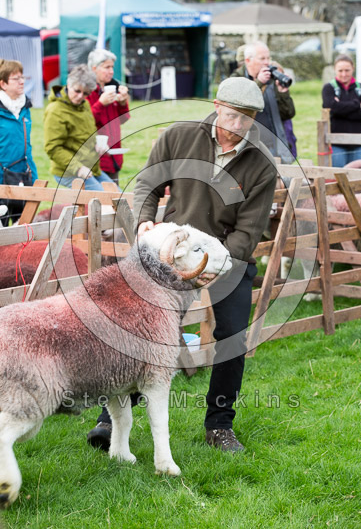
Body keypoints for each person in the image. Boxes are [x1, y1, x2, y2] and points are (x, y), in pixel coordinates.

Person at [87, 77, 277, 452]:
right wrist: (143, 219)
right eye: (233, 115)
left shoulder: (262, 164)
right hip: (170, 256)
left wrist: (213, 265)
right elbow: (147, 185)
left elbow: (249, 230)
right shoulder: (179, 136)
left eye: (248, 118)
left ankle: (219, 426)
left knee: (233, 337)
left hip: (225, 259)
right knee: (140, 331)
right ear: (216, 104)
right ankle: (111, 419)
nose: (239, 125)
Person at [44, 64, 116, 191]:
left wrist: (99, 144)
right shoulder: (55, 110)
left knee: (118, 196)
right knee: (107, 201)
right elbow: (53, 148)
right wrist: (78, 167)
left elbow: (86, 134)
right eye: (77, 91)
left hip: (91, 168)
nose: (80, 96)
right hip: (68, 171)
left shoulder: (85, 104)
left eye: (85, 93)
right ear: (68, 84)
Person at [231, 41, 295, 162]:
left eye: (268, 58)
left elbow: (288, 114)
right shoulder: (236, 79)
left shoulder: (272, 79)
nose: (267, 62)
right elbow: (237, 105)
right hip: (247, 146)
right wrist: (258, 83)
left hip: (275, 146)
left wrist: (283, 93)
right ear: (248, 60)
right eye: (262, 58)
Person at [0, 59, 38, 226]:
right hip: (2, 180)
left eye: (22, 77)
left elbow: (26, 146)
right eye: (16, 78)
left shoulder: (25, 108)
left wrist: (34, 175)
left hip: (23, 177)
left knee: (22, 230)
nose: (22, 82)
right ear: (3, 84)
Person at [87, 49, 130, 185]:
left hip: (114, 156)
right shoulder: (85, 91)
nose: (111, 71)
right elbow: (85, 123)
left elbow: (123, 119)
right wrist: (100, 103)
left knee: (113, 201)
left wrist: (123, 103)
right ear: (94, 68)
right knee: (98, 202)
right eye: (107, 67)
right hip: (95, 158)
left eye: (112, 67)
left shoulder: (112, 88)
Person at [322, 54, 361, 168]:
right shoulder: (328, 88)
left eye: (347, 70)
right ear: (335, 70)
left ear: (353, 69)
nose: (344, 74)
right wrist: (356, 104)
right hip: (337, 143)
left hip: (360, 143)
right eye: (340, 70)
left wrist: (339, 108)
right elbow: (331, 108)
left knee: (359, 180)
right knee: (337, 178)